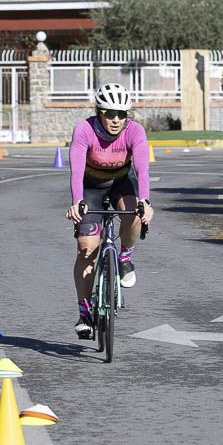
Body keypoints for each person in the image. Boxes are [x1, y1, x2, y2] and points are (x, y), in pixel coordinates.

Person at [65, 82, 154, 339]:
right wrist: (77, 201)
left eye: (121, 114)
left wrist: (145, 201)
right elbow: (76, 170)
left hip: (121, 184)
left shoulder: (135, 131)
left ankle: (125, 258)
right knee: (86, 248)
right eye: (109, 113)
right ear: (98, 111)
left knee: (135, 213)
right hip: (91, 189)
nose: (115, 120)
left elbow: (143, 170)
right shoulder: (84, 130)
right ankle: (84, 313)